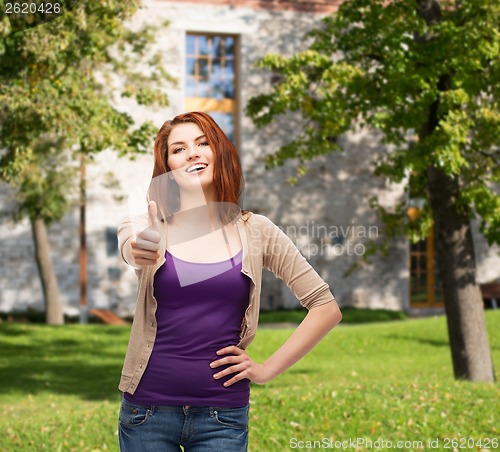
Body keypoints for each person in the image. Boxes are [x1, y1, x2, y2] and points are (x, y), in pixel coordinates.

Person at [116, 111, 342, 451]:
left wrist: (266, 370)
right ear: (169, 171)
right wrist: (141, 248)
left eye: (202, 143)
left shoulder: (257, 230)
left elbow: (325, 307)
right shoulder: (150, 227)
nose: (191, 153)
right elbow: (131, 248)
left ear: (219, 153)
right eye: (178, 149)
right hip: (146, 412)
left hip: (221, 418)